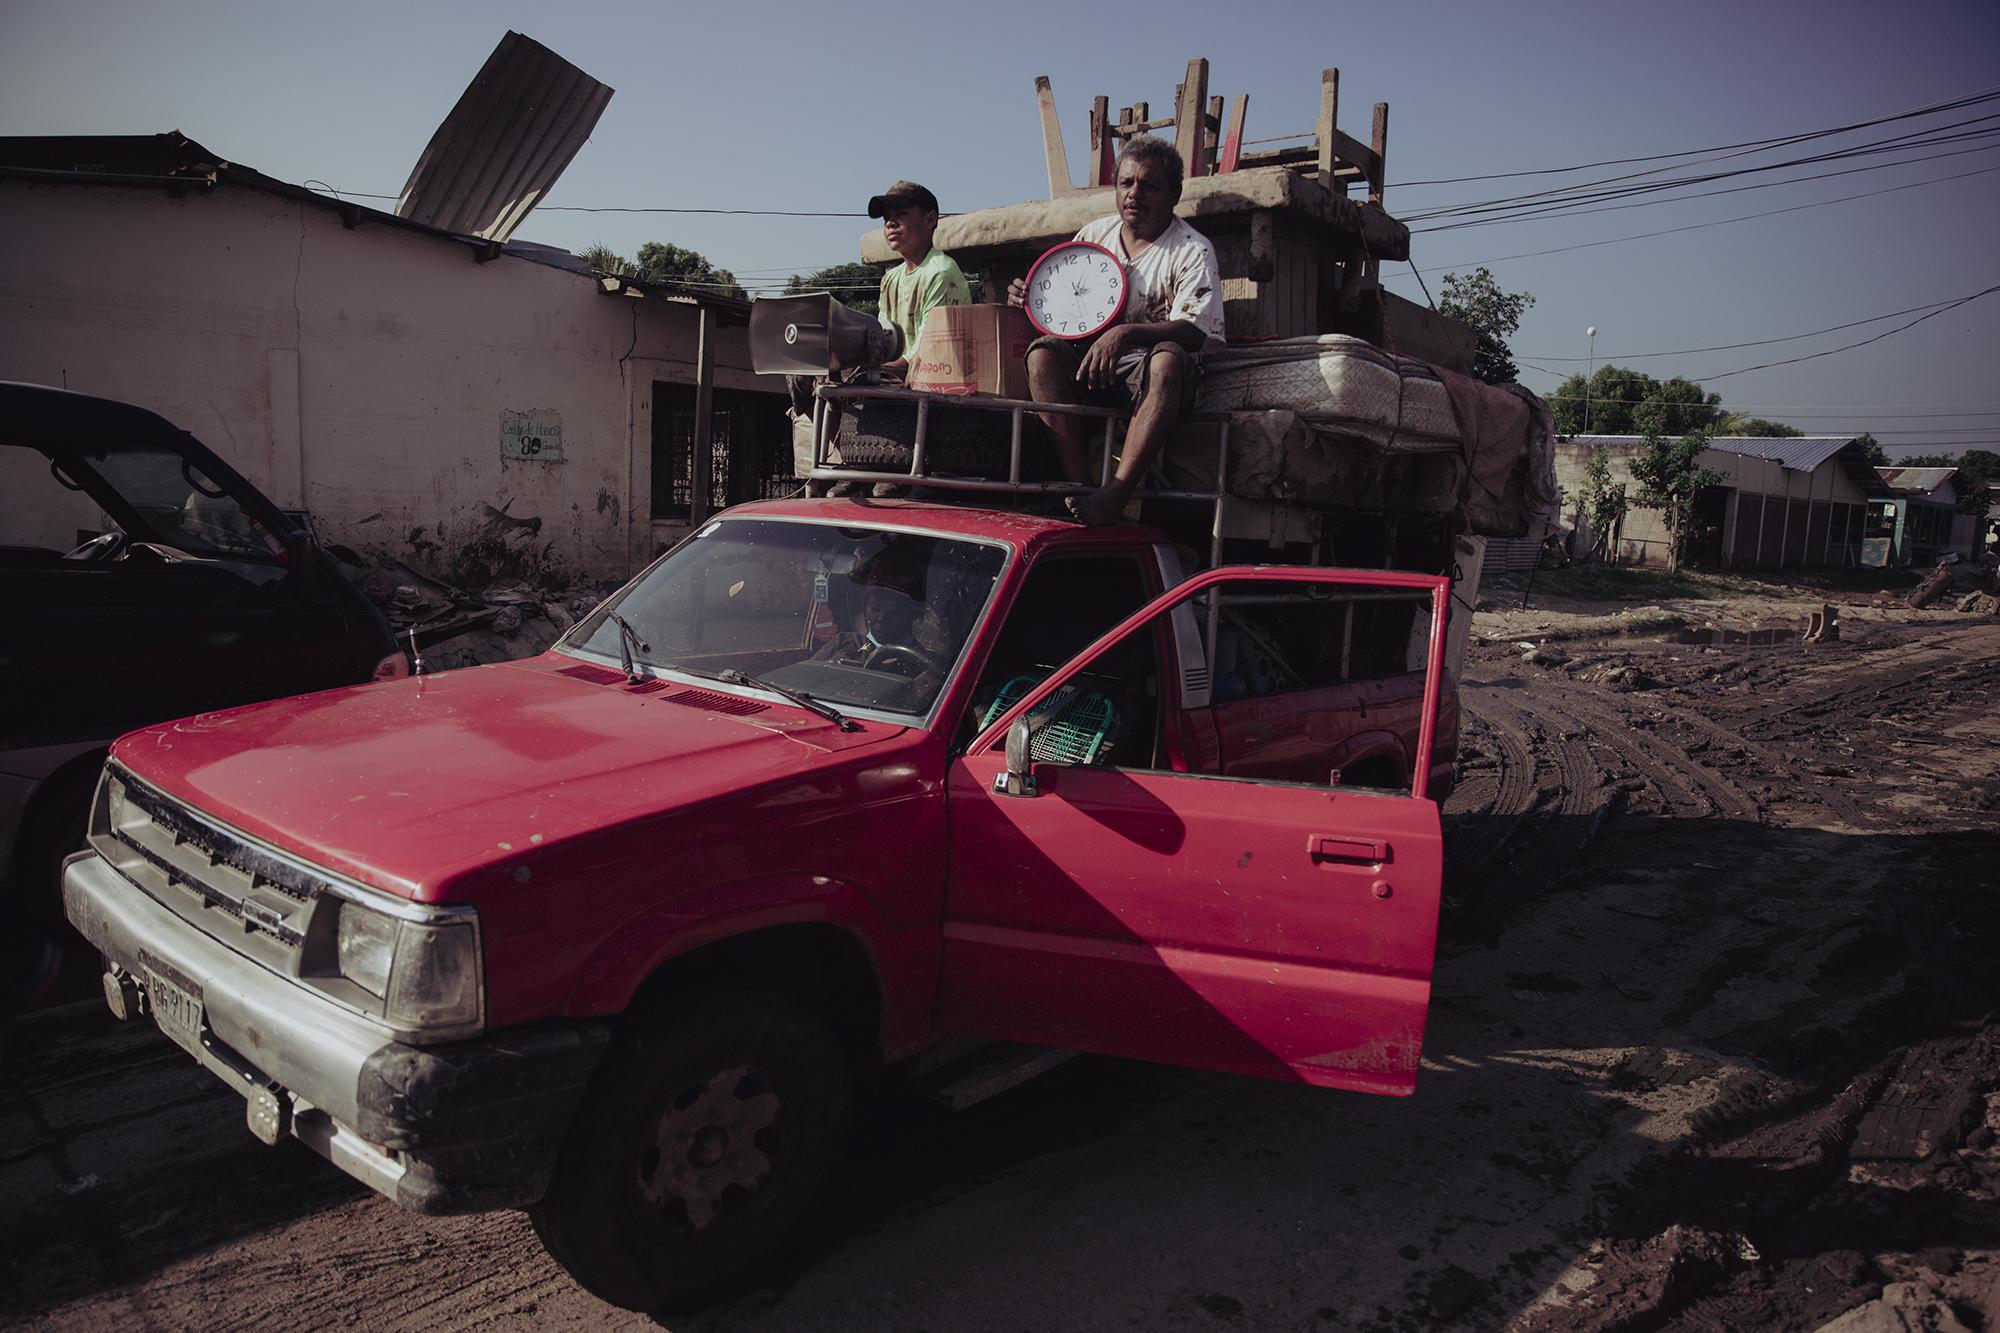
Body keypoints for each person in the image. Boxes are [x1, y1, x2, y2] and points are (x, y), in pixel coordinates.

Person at [1008, 136, 1224, 525]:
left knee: (1167, 360)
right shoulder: (1093, 235)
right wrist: (1030, 296)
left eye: (1149, 185)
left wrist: (1126, 334)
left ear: (1173, 194)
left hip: (1155, 380)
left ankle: (1117, 493)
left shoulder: (1192, 249)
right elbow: (1064, 305)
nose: (1134, 194)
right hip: (1092, 370)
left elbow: (1194, 332)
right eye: (1126, 183)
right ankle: (1078, 492)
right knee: (1042, 354)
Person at [869, 180, 971, 374]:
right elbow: (884, 339)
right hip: (897, 378)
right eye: (886, 218)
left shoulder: (941, 272)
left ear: (930, 220)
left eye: (901, 214)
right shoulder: (890, 280)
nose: (890, 223)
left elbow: (929, 348)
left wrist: (876, 371)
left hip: (936, 378)